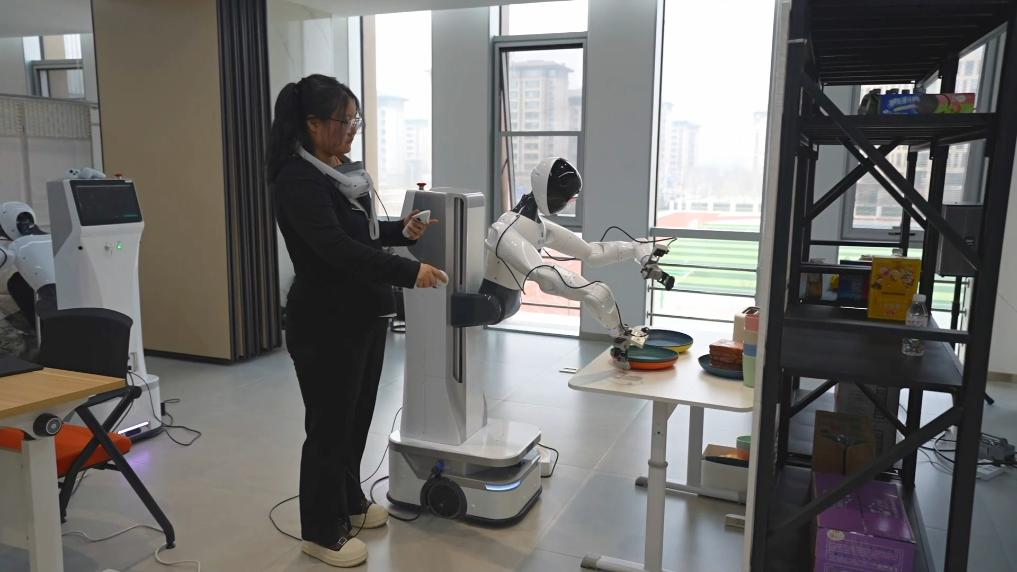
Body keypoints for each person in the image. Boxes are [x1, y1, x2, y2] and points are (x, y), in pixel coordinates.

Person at [266, 74, 445, 568]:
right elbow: (336, 248)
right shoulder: (298, 179)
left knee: (356, 418)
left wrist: (401, 232)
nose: (352, 129)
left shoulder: (336, 172)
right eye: (345, 120)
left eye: (355, 120)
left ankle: (348, 502)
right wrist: (408, 271)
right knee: (328, 428)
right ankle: (320, 532)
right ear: (313, 124)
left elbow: (359, 232)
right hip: (324, 321)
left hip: (361, 314)